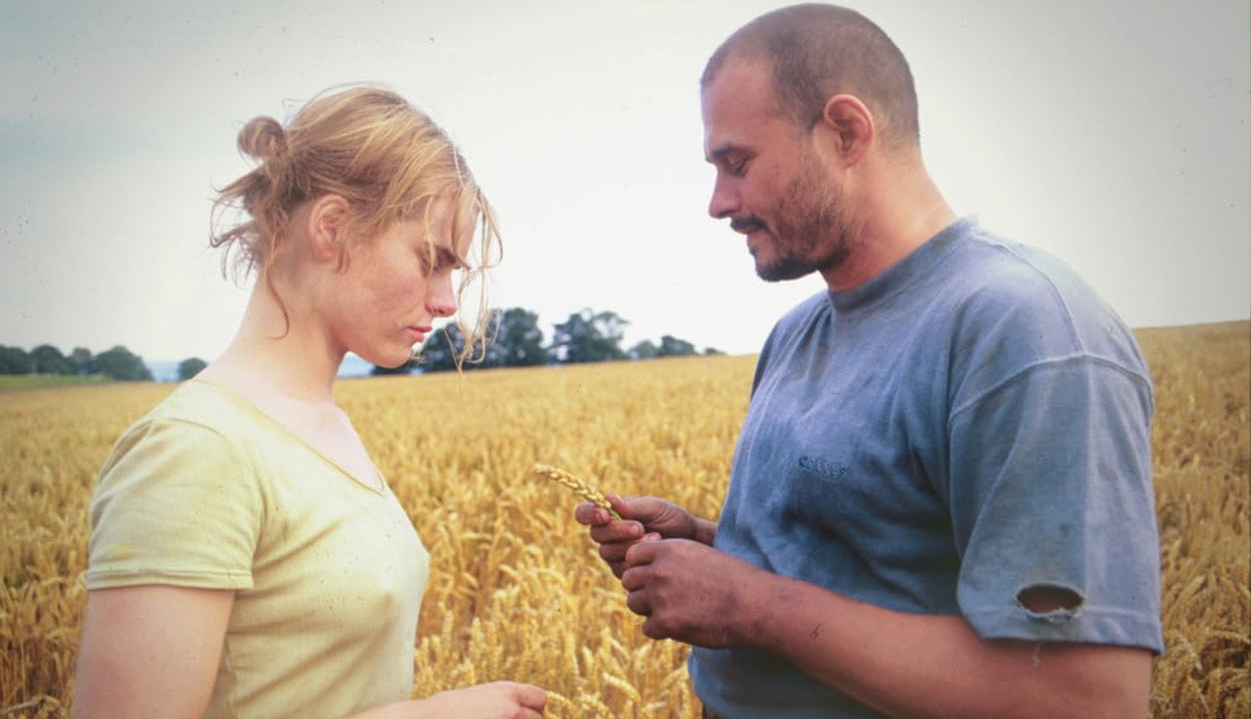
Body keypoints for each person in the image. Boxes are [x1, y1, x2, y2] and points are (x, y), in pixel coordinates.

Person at [576, 5, 1162, 718]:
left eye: (738, 163)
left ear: (847, 133)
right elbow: (872, 567)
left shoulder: (1024, 330)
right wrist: (709, 551)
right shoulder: (798, 332)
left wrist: (747, 602)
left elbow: (1088, 698)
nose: (719, 203)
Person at [74, 86, 547, 719]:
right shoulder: (197, 449)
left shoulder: (323, 425)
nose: (445, 301)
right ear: (331, 227)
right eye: (430, 260)